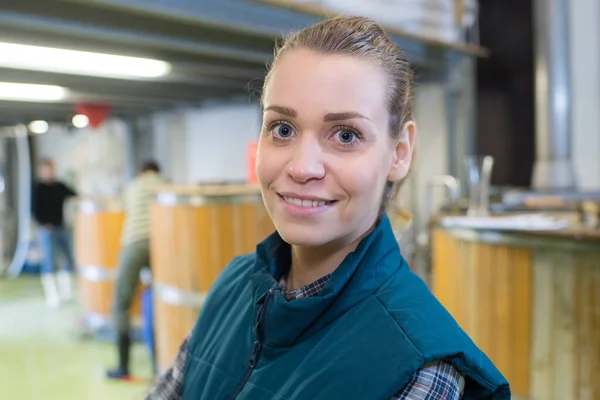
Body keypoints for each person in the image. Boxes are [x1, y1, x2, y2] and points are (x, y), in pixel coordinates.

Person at [147, 16, 510, 400]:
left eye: (346, 135)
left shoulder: (419, 365)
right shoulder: (233, 286)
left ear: (399, 153)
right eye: (282, 128)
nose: (302, 167)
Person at [107, 160, 166, 380]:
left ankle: (123, 367)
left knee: (120, 305)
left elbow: (122, 206)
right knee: (159, 301)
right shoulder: (164, 182)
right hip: (159, 244)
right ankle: (159, 366)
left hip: (134, 242)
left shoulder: (134, 184)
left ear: (142, 171)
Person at [32, 158, 77, 309]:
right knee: (49, 261)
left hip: (61, 227)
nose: (48, 172)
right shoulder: (37, 188)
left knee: (68, 259)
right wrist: (44, 224)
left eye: (50, 169)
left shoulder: (59, 186)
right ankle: (52, 296)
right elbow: (34, 210)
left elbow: (76, 194)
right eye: (46, 170)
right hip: (47, 229)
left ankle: (66, 292)